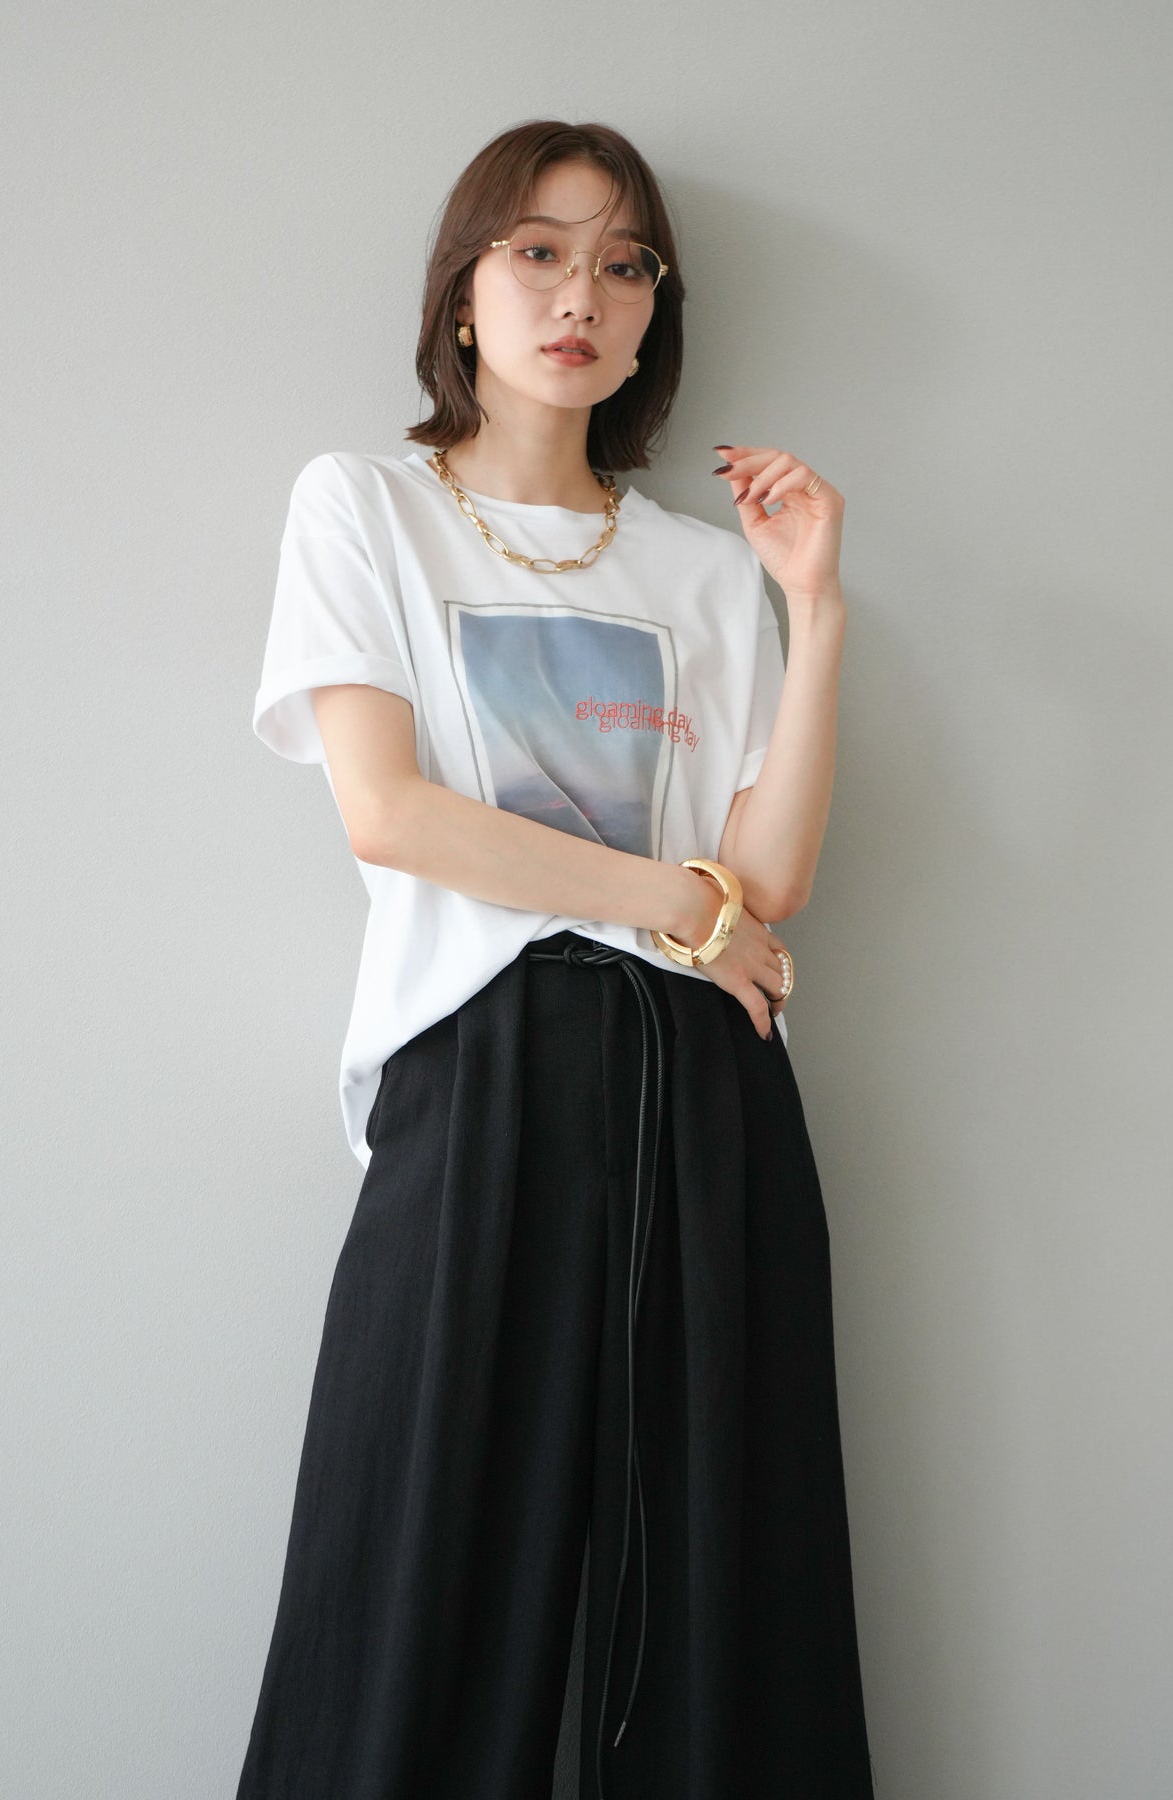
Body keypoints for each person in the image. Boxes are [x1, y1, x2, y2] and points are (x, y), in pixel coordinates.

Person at [237, 119, 875, 1800]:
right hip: (481, 1069)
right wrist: (672, 905)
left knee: (727, 1590)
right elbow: (390, 815)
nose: (579, 294)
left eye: (621, 264)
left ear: (655, 311)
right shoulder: (365, 506)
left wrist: (814, 608)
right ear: (462, 290)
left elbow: (770, 876)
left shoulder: (701, 570)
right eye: (536, 251)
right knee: (417, 1570)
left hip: (705, 1087)